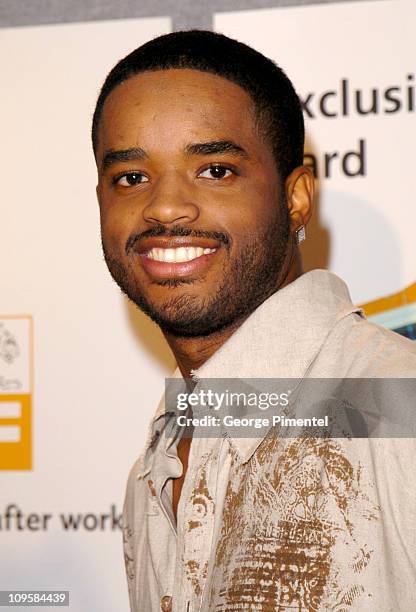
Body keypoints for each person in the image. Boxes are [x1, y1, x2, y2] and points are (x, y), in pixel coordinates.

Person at [92, 30, 416, 612]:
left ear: (296, 198)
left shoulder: (399, 409)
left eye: (215, 169)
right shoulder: (156, 468)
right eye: (131, 178)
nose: (165, 207)